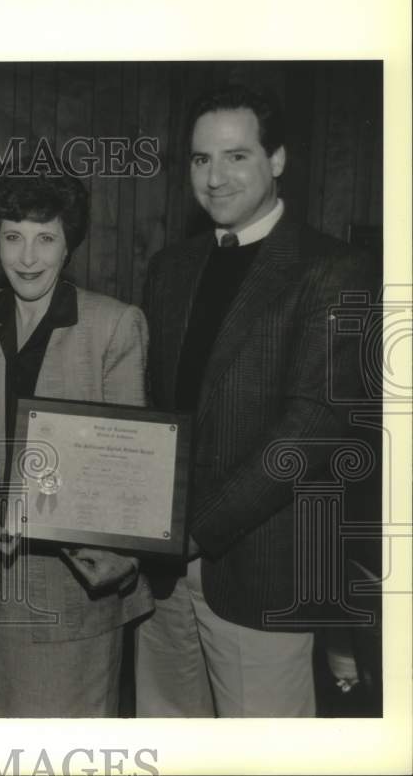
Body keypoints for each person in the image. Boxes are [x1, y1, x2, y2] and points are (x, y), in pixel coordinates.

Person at [135, 85, 372, 717]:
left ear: (278, 160)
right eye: (199, 159)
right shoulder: (169, 268)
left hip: (262, 571)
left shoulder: (336, 269)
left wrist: (194, 531)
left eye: (236, 157)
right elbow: (154, 411)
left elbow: (311, 429)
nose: (214, 178)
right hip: (160, 574)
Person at [0, 164, 154, 717]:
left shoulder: (114, 325)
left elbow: (128, 466)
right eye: (13, 237)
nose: (27, 257)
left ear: (70, 245)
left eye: (46, 238)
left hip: (75, 584)